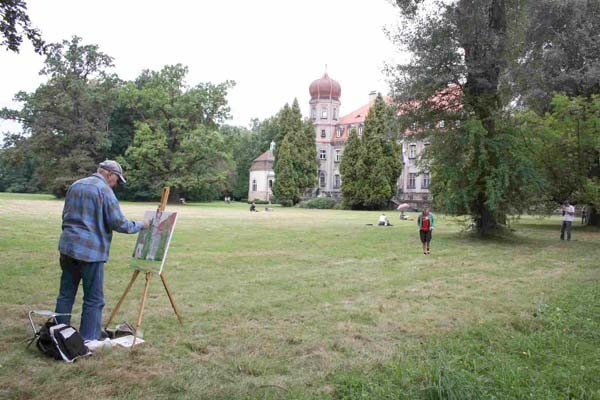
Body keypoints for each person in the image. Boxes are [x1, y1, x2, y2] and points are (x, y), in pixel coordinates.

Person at [54, 160, 149, 350]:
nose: (116, 184)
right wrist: (141, 225)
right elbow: (119, 223)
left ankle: (57, 333)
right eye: (116, 180)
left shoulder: (76, 185)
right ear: (109, 174)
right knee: (94, 298)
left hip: (67, 247)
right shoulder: (104, 190)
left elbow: (65, 215)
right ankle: (89, 338)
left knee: (66, 293)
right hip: (90, 252)